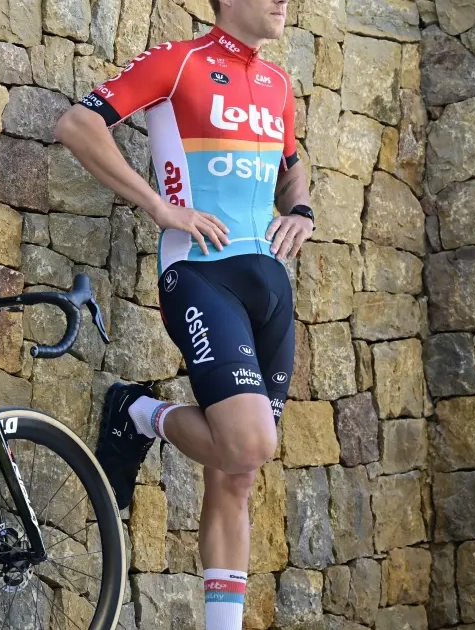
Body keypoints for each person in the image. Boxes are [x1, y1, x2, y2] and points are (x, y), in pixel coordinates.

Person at [52, 0, 313, 626]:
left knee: (238, 472)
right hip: (199, 273)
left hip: (270, 283)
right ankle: (139, 413)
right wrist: (159, 207)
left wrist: (301, 211)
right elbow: (78, 125)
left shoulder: (277, 84)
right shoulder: (179, 61)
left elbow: (290, 165)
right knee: (249, 443)